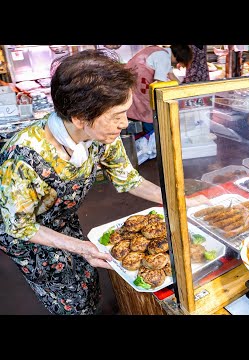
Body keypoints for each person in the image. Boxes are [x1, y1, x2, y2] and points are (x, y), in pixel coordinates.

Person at [0, 49, 164, 315]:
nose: (124, 123)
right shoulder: (24, 157)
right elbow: (19, 226)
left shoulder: (99, 134)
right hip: (26, 232)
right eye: (117, 115)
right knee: (68, 298)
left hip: (64, 219)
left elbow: (128, 180)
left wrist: (177, 202)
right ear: (79, 118)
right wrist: (80, 247)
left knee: (87, 280)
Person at [126, 45, 193, 134]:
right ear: (179, 58)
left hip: (129, 84)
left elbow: (171, 75)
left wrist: (184, 90)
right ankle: (148, 138)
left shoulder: (160, 51)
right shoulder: (164, 57)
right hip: (139, 87)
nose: (179, 65)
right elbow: (160, 84)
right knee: (149, 116)